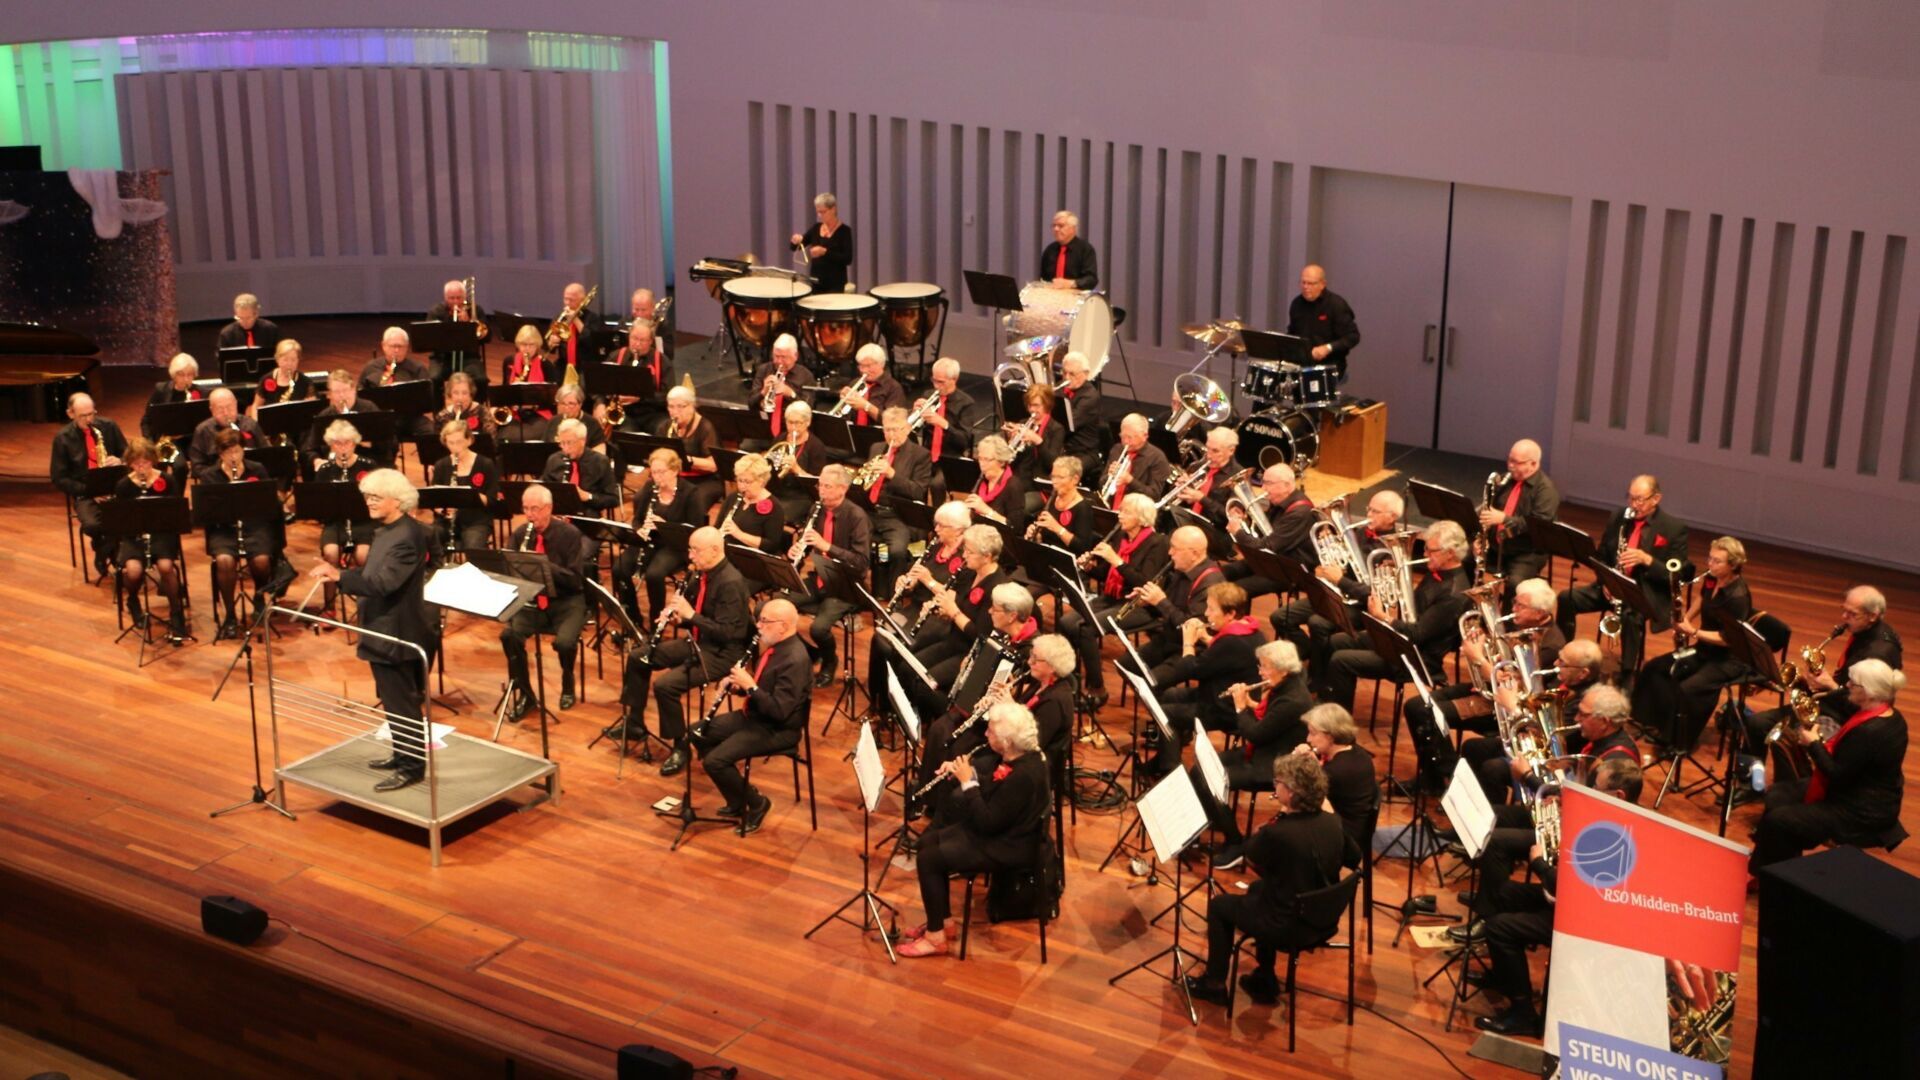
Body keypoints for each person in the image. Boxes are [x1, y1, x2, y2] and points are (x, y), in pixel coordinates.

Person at [1471, 757, 1643, 1037]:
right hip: (1573, 902)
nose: (1589, 792)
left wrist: (1539, 863)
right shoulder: (1613, 819)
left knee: (1499, 928)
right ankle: (1505, 978)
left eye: (1596, 788)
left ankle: (1523, 1014)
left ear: (1619, 795)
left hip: (1586, 920)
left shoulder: (1614, 837)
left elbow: (1569, 887)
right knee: (1504, 894)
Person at [1184, 752, 1352, 1007]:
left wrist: (1266, 830)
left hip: (1288, 925)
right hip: (1323, 917)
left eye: (1279, 782)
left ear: (1293, 793)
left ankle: (1214, 983)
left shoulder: (1279, 833)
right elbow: (1355, 855)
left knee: (1220, 906)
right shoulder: (1332, 822)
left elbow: (1252, 858)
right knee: (1259, 889)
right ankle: (1264, 977)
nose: (1275, 785)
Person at [308, 469, 439, 792]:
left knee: (402, 702)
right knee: (392, 699)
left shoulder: (406, 538)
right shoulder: (387, 531)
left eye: (376, 497)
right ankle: (401, 754)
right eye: (367, 496)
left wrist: (339, 576)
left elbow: (383, 583)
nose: (369, 502)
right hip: (382, 626)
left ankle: (412, 767)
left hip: (396, 631)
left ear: (397, 500)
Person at [898, 702, 1053, 959]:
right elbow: (995, 790)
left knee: (929, 859)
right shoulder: (1020, 756)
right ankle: (943, 921)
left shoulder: (1025, 775)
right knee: (927, 843)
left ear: (1006, 741)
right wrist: (962, 772)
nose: (985, 734)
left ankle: (935, 938)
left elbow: (987, 822)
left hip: (1009, 846)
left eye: (990, 731)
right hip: (1001, 832)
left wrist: (968, 783)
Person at [617, 526, 753, 774]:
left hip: (722, 654)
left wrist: (691, 615)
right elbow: (697, 615)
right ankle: (634, 721)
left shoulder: (731, 583)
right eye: (690, 550)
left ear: (714, 550)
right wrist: (678, 617)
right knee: (639, 657)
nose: (690, 556)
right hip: (699, 642)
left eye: (696, 551)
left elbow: (729, 633)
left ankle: (681, 746)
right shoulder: (701, 573)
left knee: (665, 686)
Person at [1749, 659, 1908, 870]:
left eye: (1853, 684)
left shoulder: (1871, 731)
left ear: (1870, 692)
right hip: (1852, 790)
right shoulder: (1890, 716)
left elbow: (1836, 773)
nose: (1847, 686)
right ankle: (1770, 866)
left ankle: (1774, 874)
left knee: (1779, 820)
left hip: (1859, 810)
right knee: (1777, 794)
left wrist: (1813, 743)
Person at [1744, 586, 1903, 778]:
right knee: (1756, 723)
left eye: (1852, 614)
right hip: (1834, 701)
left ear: (1872, 616)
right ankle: (1751, 781)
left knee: (1783, 738)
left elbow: (1865, 704)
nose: (1844, 617)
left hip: (1846, 716)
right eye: (1843, 610)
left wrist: (1831, 686)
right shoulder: (1864, 632)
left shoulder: (1878, 653)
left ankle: (1788, 791)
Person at [692, 598, 814, 835]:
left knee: (714, 761)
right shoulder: (776, 647)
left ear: (783, 625)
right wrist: (739, 686)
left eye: (765, 621)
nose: (758, 625)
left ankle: (757, 803)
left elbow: (779, 710)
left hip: (777, 729)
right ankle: (737, 798)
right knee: (697, 733)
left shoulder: (795, 659)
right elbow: (764, 689)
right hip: (755, 716)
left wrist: (751, 687)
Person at [1323, 520, 1474, 710]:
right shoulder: (1437, 573)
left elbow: (1418, 633)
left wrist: (1384, 616)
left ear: (1450, 553)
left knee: (1341, 660)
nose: (1425, 555)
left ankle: (1336, 724)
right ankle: (1326, 697)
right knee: (1338, 641)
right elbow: (1413, 610)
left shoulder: (1453, 594)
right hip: (1400, 641)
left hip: (1416, 658)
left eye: (1430, 551)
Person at [1402, 577, 1565, 743]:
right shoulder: (1520, 624)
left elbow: (1507, 684)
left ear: (1540, 613)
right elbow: (1501, 664)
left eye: (1520, 606)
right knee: (1414, 705)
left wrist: (1477, 657)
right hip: (1488, 691)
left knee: (1425, 713)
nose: (1513, 609)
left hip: (1501, 708)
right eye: (1514, 602)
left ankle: (1443, 765)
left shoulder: (1550, 647)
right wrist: (1481, 640)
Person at [1192, 641, 1311, 866]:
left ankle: (1236, 843)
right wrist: (1251, 703)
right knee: (1200, 768)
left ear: (1283, 669)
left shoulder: (1293, 699)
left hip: (1273, 765)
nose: (1260, 672)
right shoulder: (1285, 686)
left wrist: (1239, 707)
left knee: (1210, 782)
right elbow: (1270, 720)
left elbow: (1256, 734)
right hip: (1263, 750)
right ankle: (1215, 817)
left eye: (1264, 667)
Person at [1555, 474, 1688, 674]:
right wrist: (1606, 582)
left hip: (1642, 594)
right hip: (1612, 588)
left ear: (1656, 499)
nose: (1633, 504)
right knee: (1567, 598)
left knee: (1631, 618)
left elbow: (1677, 575)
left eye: (1639, 499)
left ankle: (1627, 676)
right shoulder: (1619, 517)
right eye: (1630, 497)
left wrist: (1648, 560)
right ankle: (1565, 658)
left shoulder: (1673, 528)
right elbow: (1601, 557)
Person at [1633, 535, 1753, 752]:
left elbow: (1728, 640)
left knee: (1688, 689)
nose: (1710, 564)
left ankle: (1679, 742)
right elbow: (1702, 597)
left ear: (1733, 565)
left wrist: (1694, 631)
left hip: (1727, 660)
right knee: (1656, 668)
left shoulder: (1737, 597)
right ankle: (1653, 722)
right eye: (1710, 558)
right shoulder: (1712, 578)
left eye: (1717, 561)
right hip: (1705, 649)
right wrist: (1684, 618)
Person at [1271, 489, 1403, 676]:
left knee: (1318, 623)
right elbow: (1341, 562)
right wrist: (1326, 562)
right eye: (1369, 509)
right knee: (1281, 617)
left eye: (1375, 512)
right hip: (1338, 593)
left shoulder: (1393, 550)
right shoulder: (1358, 533)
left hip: (1362, 606)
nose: (1368, 515)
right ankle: (1311, 652)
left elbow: (1376, 594)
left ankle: (1318, 676)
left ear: (1392, 517)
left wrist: (1340, 579)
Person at [1058, 492, 1171, 709]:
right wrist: (1091, 568)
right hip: (1112, 598)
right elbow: (1106, 574)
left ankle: (1097, 689)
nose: (1120, 515)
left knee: (1086, 628)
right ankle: (1070, 682)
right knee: (1066, 622)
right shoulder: (1122, 536)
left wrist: (1115, 559)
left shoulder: (1157, 543)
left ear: (1141, 517)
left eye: (1126, 511)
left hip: (1138, 605)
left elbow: (1144, 582)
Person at [1147, 582, 1265, 777]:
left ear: (1231, 614)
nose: (1206, 614)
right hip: (1217, 692)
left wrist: (1188, 642)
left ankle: (1170, 773)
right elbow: (1224, 658)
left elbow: (1190, 670)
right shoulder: (1250, 630)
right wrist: (1205, 637)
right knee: (1170, 695)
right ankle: (1163, 757)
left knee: (1165, 713)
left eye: (1211, 609)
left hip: (1225, 708)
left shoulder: (1232, 641)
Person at [501, 484, 587, 714]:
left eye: (535, 509)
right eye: (526, 509)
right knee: (509, 635)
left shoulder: (570, 534)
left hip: (567, 601)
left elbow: (575, 579)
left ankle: (568, 683)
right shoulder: (520, 535)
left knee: (565, 643)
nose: (530, 514)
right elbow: (508, 570)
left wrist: (545, 566)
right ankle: (526, 694)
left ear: (548, 508)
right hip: (533, 603)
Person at [787, 464, 872, 686]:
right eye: (820, 485)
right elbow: (808, 542)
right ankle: (809, 653)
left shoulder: (857, 516)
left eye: (827, 486)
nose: (821, 491)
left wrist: (827, 546)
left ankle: (829, 661)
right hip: (820, 578)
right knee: (774, 606)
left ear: (842, 489)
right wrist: (798, 549)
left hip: (846, 585)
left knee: (818, 628)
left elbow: (861, 563)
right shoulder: (817, 509)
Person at [199, 428, 279, 640]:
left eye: (237, 451)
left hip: (253, 526)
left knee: (261, 560)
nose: (233, 457)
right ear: (220, 454)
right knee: (225, 561)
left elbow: (269, 504)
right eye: (228, 453)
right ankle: (230, 616)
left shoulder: (257, 469)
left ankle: (260, 597)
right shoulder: (209, 476)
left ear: (243, 450)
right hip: (223, 529)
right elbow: (206, 513)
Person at [615, 449, 705, 622]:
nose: (657, 477)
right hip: (649, 540)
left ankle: (656, 619)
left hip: (675, 545)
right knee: (619, 569)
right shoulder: (650, 488)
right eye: (654, 472)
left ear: (674, 471)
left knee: (654, 574)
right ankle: (632, 618)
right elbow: (637, 519)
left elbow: (695, 530)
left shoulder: (691, 493)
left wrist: (664, 525)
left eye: (661, 472)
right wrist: (639, 529)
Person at [112, 438, 188, 641]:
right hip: (134, 536)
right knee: (134, 570)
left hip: (162, 535)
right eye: (136, 464)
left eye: (145, 463)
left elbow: (175, 515)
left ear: (153, 461)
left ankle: (176, 612)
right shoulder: (124, 486)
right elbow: (120, 520)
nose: (141, 468)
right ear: (130, 464)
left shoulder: (167, 481)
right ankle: (134, 601)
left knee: (165, 566)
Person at [49, 392, 129, 576]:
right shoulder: (62, 439)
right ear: (70, 414)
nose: (89, 419)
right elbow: (58, 478)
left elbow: (128, 453)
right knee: (92, 525)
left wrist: (120, 460)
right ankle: (107, 551)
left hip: (114, 487)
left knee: (126, 517)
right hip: (85, 492)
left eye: (92, 413)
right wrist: (90, 491)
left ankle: (106, 551)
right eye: (83, 416)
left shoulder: (108, 426)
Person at [858, 405, 933, 599]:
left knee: (898, 551)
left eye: (895, 429)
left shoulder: (920, 455)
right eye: (886, 429)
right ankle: (856, 591)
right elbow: (864, 482)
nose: (890, 434)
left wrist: (891, 474)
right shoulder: (876, 448)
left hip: (897, 514)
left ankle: (894, 596)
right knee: (848, 537)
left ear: (907, 429)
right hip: (871, 509)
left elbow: (917, 491)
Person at [1296, 703, 1378, 862]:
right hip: (1350, 823)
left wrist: (1297, 766)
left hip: (1343, 838)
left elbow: (1300, 795)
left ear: (1330, 736)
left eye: (1313, 734)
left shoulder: (1337, 771)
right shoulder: (1356, 752)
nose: (1308, 739)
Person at [1479, 439, 1561, 594]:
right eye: (1510, 460)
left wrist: (1504, 519)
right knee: (1463, 560)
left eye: (1517, 462)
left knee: (1515, 584)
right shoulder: (1505, 481)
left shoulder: (1546, 491)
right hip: (1498, 547)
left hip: (1526, 552)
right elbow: (1488, 510)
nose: (1510, 466)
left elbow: (1539, 525)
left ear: (1533, 464)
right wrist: (1478, 539)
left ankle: (1508, 618)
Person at [540, 418, 620, 573]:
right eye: (561, 443)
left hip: (587, 526)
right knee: (543, 556)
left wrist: (587, 496)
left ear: (582, 441)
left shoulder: (600, 462)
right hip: (557, 523)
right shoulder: (554, 460)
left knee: (578, 558)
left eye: (569, 443)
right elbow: (544, 490)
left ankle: (584, 591)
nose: (565, 448)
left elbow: (613, 499)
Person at [313, 420, 376, 616]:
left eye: (347, 443)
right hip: (336, 523)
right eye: (338, 443)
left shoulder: (368, 466)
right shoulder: (325, 470)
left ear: (354, 443)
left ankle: (367, 606)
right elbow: (319, 507)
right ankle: (329, 607)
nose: (343, 448)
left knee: (363, 555)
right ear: (331, 445)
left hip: (364, 522)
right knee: (330, 553)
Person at [426, 418, 498, 555]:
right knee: (428, 536)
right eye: (451, 443)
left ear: (469, 440)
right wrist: (443, 511)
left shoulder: (485, 464)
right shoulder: (441, 465)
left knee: (473, 544)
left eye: (459, 442)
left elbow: (492, 500)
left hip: (476, 521)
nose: (455, 448)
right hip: (447, 522)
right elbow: (434, 501)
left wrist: (470, 496)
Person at [306, 369, 392, 473]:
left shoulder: (369, 409)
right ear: (330, 394)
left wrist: (371, 443)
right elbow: (309, 448)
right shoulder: (325, 416)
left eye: (345, 390)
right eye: (337, 392)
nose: (342, 395)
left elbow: (391, 443)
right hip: (335, 466)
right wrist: (317, 460)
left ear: (354, 389)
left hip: (368, 464)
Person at [661, 385, 724, 522]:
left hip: (704, 480)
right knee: (646, 495)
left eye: (680, 406)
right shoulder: (665, 426)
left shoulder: (706, 428)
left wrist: (686, 459)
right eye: (671, 407)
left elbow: (713, 465)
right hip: (675, 477)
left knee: (694, 501)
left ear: (692, 406)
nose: (674, 411)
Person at [1286, 265, 1359, 374]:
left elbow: (1353, 337)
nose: (1306, 287)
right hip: (1302, 363)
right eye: (1303, 282)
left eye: (1310, 283)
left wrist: (1328, 348)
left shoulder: (1336, 305)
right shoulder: (1296, 304)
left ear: (1322, 284)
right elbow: (1292, 333)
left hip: (1329, 366)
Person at [604, 318, 670, 435]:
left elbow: (667, 395)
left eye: (642, 340)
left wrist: (641, 398)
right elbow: (600, 384)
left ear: (651, 341)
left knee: (664, 429)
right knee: (625, 434)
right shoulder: (616, 356)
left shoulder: (662, 361)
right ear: (629, 337)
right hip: (625, 414)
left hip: (653, 415)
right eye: (634, 338)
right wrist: (599, 404)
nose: (637, 344)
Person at [911, 357, 979, 469]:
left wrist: (944, 424)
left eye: (941, 382)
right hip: (926, 455)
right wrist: (915, 413)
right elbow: (913, 429)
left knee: (936, 484)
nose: (936, 386)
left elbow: (964, 441)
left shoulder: (966, 403)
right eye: (934, 380)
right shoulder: (928, 395)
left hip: (951, 458)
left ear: (954, 379)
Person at [770, 400, 832, 522]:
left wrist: (797, 469)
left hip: (801, 497)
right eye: (790, 422)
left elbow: (817, 485)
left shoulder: (816, 446)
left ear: (807, 422)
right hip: (777, 490)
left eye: (798, 423)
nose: (793, 427)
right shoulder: (781, 439)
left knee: (775, 517)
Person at [424, 278, 489, 394]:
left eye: (459, 298)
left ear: (464, 297)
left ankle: (477, 410)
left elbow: (487, 337)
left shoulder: (476, 310)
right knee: (433, 379)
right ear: (445, 297)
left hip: (469, 357)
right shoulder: (436, 312)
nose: (455, 302)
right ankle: (438, 411)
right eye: (451, 298)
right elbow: (429, 339)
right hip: (442, 357)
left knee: (481, 379)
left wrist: (469, 323)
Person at [749, 334, 814, 449]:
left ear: (795, 356)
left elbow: (807, 408)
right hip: (763, 428)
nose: (779, 361)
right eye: (776, 356)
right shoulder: (764, 370)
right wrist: (763, 392)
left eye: (784, 357)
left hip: (790, 431)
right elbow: (750, 403)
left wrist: (790, 393)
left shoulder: (806, 376)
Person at [187, 387, 266, 476]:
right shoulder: (202, 430)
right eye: (220, 409)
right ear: (212, 410)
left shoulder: (250, 425)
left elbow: (265, 455)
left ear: (236, 404)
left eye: (229, 407)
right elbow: (197, 466)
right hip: (216, 481)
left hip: (250, 476)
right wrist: (217, 474)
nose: (226, 413)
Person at [718, 453, 787, 553]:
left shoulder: (775, 508)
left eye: (747, 482)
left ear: (761, 481)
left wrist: (739, 534)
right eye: (739, 480)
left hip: (752, 558)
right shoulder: (733, 498)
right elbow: (717, 527)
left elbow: (771, 545)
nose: (742, 486)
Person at [1005, 384, 1064, 499]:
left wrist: (1037, 441)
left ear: (1047, 405)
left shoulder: (1056, 429)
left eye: (1036, 405)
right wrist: (1011, 440)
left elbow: (1052, 464)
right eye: (1030, 405)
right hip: (1017, 479)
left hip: (1037, 484)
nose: (1032, 409)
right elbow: (1011, 460)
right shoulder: (1023, 423)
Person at [1096, 414, 1171, 505]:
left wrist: (1130, 481)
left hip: (1137, 512)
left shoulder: (1158, 458)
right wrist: (1109, 475)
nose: (1126, 442)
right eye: (1123, 437)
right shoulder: (1117, 449)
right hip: (1109, 506)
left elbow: (1154, 495)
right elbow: (1101, 484)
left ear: (1145, 436)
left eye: (1130, 437)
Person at [500, 324, 555, 440]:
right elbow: (504, 387)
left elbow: (552, 400)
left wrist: (532, 404)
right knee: (500, 433)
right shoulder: (509, 361)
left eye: (531, 345)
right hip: (514, 412)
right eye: (524, 345)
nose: (527, 349)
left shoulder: (546, 365)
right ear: (518, 345)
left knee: (520, 437)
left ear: (537, 346)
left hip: (539, 413)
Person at [791, 192, 853, 294]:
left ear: (833, 209)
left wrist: (824, 252)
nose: (819, 216)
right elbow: (795, 247)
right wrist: (795, 240)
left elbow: (847, 259)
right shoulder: (816, 228)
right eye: (818, 212)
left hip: (835, 284)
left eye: (823, 212)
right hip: (816, 282)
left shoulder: (845, 231)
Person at [962, 435, 1026, 532]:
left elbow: (1017, 528)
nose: (982, 464)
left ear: (1001, 462)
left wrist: (987, 511)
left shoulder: (1014, 486)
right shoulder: (982, 481)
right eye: (980, 458)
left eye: (987, 459)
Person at [1054, 351, 1104, 476]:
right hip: (1062, 448)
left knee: (1064, 473)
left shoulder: (1090, 397)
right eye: (1064, 372)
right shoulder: (1060, 388)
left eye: (1072, 374)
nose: (1066, 377)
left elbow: (1068, 425)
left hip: (1083, 453)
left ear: (1085, 374)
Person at [835, 343, 904, 427]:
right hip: (853, 432)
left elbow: (892, 421)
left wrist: (866, 406)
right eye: (861, 365)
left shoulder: (894, 388)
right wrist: (843, 400)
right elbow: (845, 414)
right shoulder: (855, 383)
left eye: (868, 366)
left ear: (881, 364)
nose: (864, 370)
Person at [432, 371, 496, 458]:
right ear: (450, 394)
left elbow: (492, 441)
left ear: (471, 393)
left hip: (478, 459)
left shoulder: (482, 411)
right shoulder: (442, 416)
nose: (460, 398)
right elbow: (437, 447)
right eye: (456, 393)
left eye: (464, 393)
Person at [544, 282, 600, 376]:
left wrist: (575, 319)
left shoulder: (592, 318)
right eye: (565, 299)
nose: (567, 303)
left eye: (571, 300)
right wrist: (551, 342)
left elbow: (591, 341)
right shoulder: (559, 317)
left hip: (584, 367)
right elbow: (550, 349)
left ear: (582, 300)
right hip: (563, 366)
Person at [251, 339, 313, 417]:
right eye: (285, 360)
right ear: (277, 359)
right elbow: (256, 406)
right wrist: (257, 424)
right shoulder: (267, 379)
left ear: (298, 360)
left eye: (293, 360)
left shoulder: (306, 382)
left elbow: (311, 409)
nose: (289, 364)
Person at [1039, 210, 1098, 290]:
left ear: (1073, 229)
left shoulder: (1085, 249)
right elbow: (1043, 279)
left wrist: (1071, 283)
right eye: (1054, 226)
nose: (1056, 229)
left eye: (1061, 226)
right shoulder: (1050, 250)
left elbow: (1091, 279)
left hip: (1076, 297)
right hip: (1052, 297)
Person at [546, 383, 608, 451]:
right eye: (562, 403)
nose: (566, 408)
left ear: (580, 404)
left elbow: (600, 453)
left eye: (571, 404)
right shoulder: (553, 421)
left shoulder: (592, 424)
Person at [217, 293, 282, 354]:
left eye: (248, 318)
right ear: (235, 313)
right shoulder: (227, 334)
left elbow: (280, 355)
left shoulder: (270, 330)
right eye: (240, 318)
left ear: (256, 313)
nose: (244, 322)